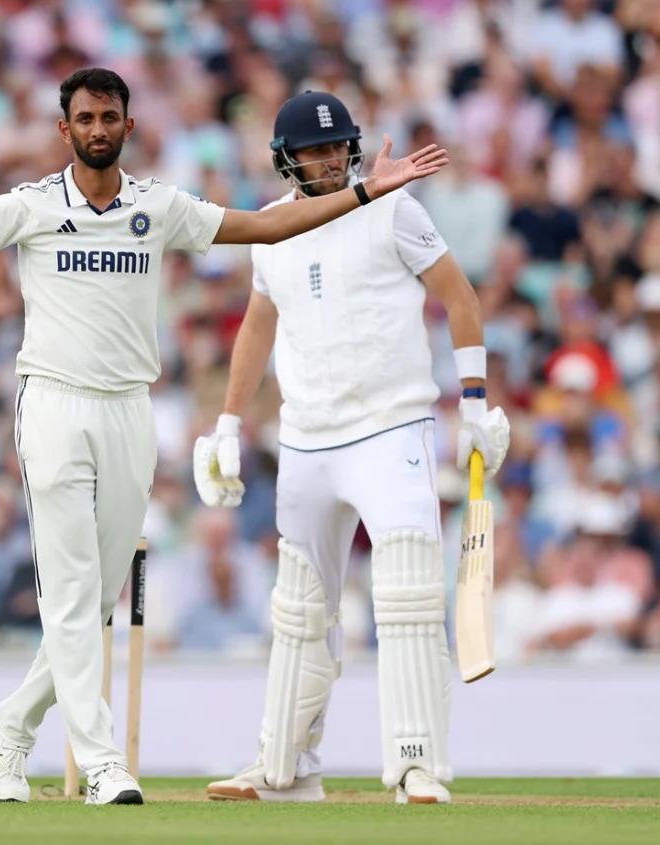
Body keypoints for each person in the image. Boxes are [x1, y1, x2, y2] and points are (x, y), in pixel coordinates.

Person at [0, 68, 448, 806]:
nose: (98, 129)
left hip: (127, 410)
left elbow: (265, 226)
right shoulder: (32, 205)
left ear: (128, 127)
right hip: (52, 404)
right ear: (65, 128)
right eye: (85, 118)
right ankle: (103, 758)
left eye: (110, 117)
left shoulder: (159, 206)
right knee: (75, 595)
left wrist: (366, 191)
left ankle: (8, 728)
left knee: (93, 602)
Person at [193, 91, 507, 805]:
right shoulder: (269, 228)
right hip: (306, 439)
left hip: (392, 426)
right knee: (300, 608)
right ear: (285, 159)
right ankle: (284, 767)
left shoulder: (395, 206)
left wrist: (476, 400)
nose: (331, 160)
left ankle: (419, 765)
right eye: (315, 150)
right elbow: (256, 326)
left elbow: (460, 297)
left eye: (338, 148)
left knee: (406, 594)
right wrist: (230, 424)